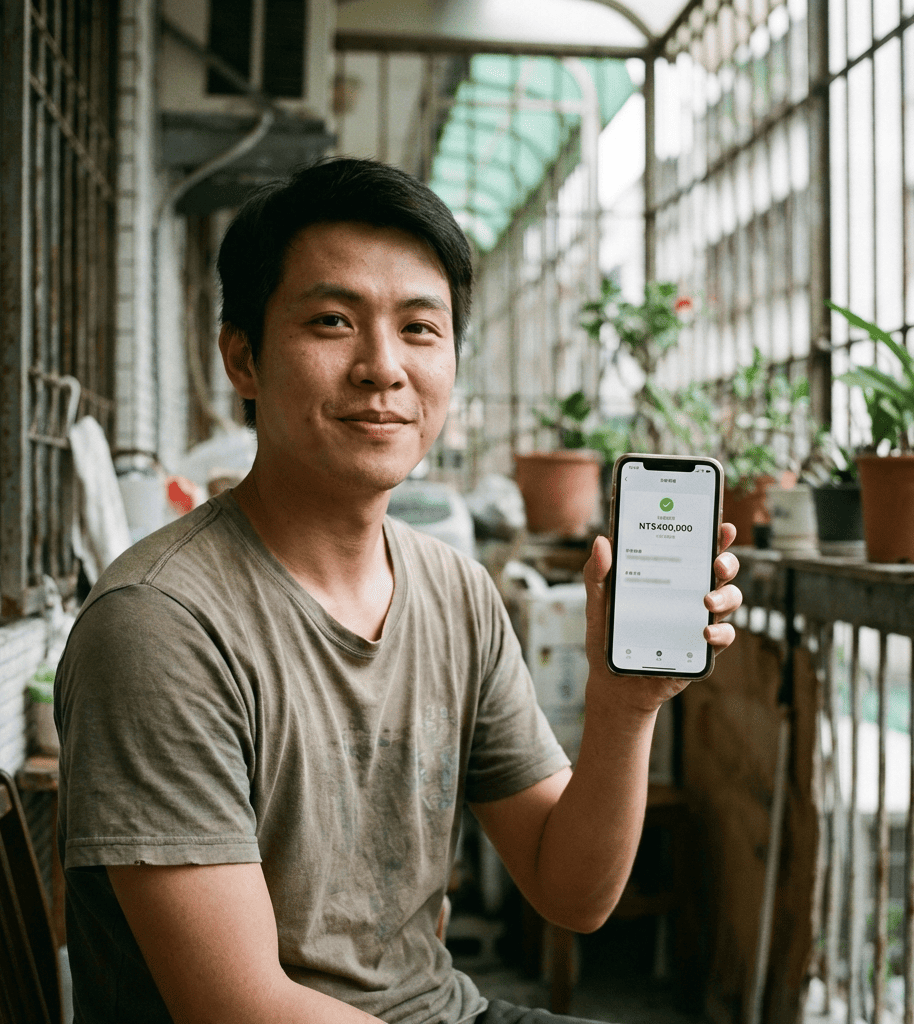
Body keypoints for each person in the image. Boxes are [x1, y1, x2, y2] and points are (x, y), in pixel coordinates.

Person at [55, 157, 742, 1024]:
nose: (384, 368)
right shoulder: (159, 625)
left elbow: (573, 893)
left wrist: (628, 702)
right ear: (244, 359)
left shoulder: (456, 591)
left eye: (421, 328)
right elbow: (239, 1008)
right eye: (334, 321)